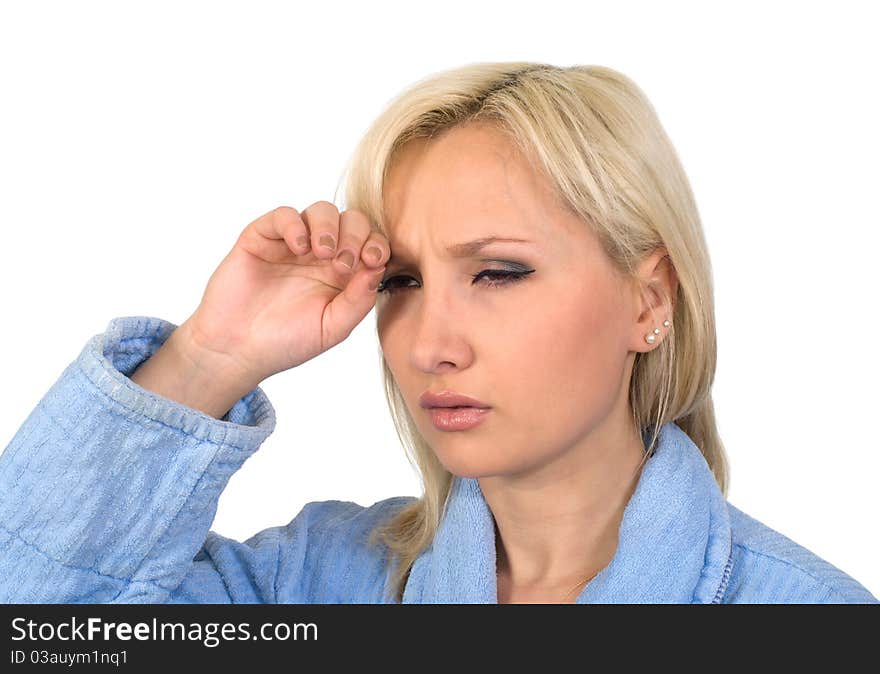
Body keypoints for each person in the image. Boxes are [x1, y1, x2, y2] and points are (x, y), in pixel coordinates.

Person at [0, 62, 875, 604]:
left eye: (497, 273)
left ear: (649, 302)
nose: (429, 345)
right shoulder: (314, 583)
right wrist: (209, 357)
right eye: (402, 282)